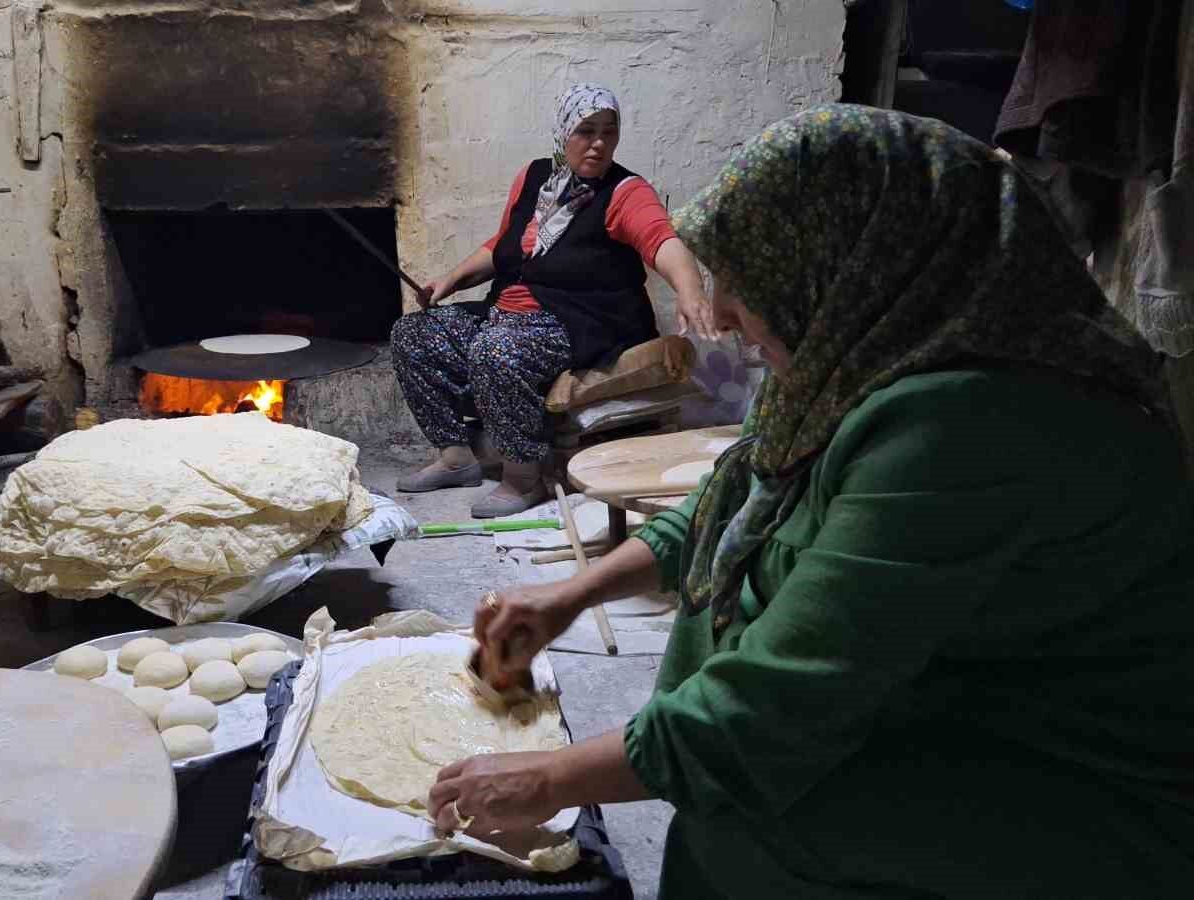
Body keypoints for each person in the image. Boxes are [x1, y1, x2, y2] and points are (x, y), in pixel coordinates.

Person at [430, 105, 1194, 897]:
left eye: (750, 278)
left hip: (1050, 780)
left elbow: (770, 710)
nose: (722, 312)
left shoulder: (972, 423)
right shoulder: (856, 357)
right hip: (914, 707)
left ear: (853, 262)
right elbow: (737, 499)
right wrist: (570, 594)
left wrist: (547, 780)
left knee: (750, 820)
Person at [391, 83, 712, 518]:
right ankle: (456, 457)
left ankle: (522, 479)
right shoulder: (535, 178)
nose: (598, 144)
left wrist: (690, 292)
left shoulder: (624, 192)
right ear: (563, 132)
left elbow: (663, 242)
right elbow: (503, 246)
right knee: (413, 333)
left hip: (582, 319)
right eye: (585, 131)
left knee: (496, 351)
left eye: (608, 132)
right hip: (506, 311)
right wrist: (450, 279)